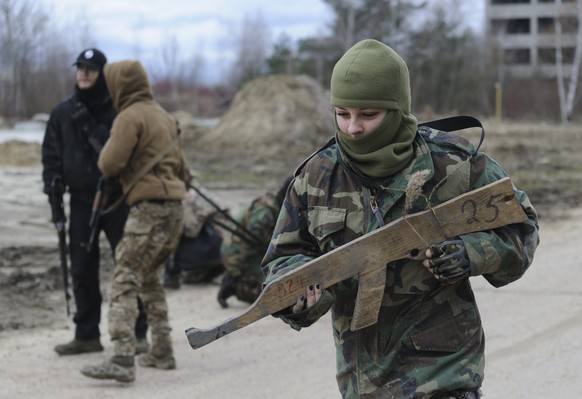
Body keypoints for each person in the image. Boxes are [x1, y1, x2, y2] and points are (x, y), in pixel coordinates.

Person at [261, 39, 540, 399]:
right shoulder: (317, 177)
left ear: (396, 109)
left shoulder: (453, 165)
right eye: (342, 114)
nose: (352, 128)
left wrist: (471, 252)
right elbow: (281, 258)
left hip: (445, 377)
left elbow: (522, 228)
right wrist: (296, 292)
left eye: (367, 114)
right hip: (361, 382)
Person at [80, 60, 187, 383]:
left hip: (148, 210)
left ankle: (123, 357)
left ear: (119, 85)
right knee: (152, 278)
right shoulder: (164, 116)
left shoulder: (129, 116)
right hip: (175, 209)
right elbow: (182, 168)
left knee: (124, 277)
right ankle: (163, 350)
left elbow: (109, 163)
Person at [41, 48, 148, 356]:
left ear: (103, 74)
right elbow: (50, 154)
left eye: (90, 68)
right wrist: (52, 184)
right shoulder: (62, 112)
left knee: (127, 266)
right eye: (80, 68)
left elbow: (127, 154)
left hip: (117, 200)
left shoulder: (118, 110)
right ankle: (86, 334)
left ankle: (138, 334)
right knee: (82, 268)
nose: (83, 73)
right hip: (80, 202)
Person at [217, 176, 292, 308]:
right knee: (271, 297)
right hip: (238, 254)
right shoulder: (266, 213)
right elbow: (246, 246)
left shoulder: (277, 206)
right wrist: (234, 273)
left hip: (254, 252)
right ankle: (235, 286)